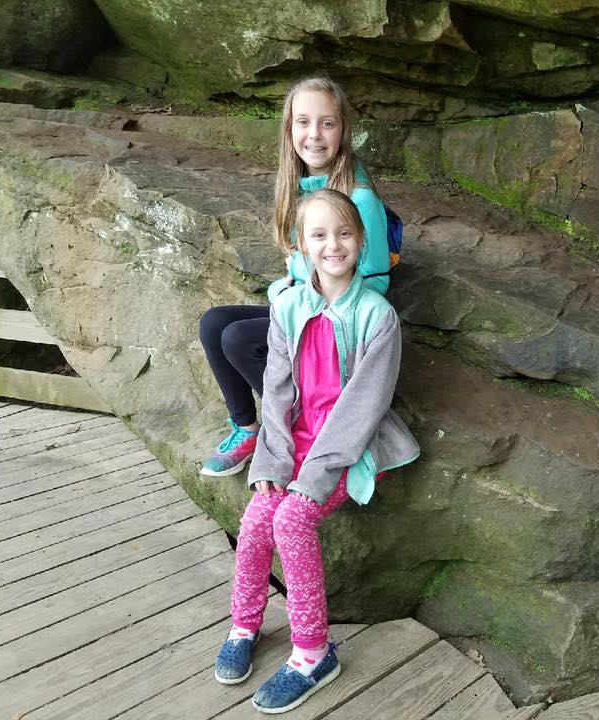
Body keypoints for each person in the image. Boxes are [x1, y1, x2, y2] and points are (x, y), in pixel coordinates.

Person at [213, 189, 419, 714]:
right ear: (300, 244)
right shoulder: (288, 306)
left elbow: (363, 410)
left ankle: (312, 653)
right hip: (296, 444)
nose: (333, 245)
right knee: (257, 516)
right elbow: (276, 392)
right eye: (320, 235)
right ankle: (244, 625)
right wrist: (272, 461)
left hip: (348, 452)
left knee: (291, 520)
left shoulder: (378, 317)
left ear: (361, 240)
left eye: (344, 233)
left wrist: (314, 479)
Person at [198, 77, 391, 477]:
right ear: (289, 129)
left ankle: (298, 418)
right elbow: (298, 265)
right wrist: (288, 287)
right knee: (214, 323)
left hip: (335, 327)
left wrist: (309, 292)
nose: (314, 134)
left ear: (343, 130)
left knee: (238, 339)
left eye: (327, 123)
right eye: (303, 122)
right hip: (303, 307)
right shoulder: (296, 186)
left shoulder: (359, 198)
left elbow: (377, 279)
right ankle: (247, 428)